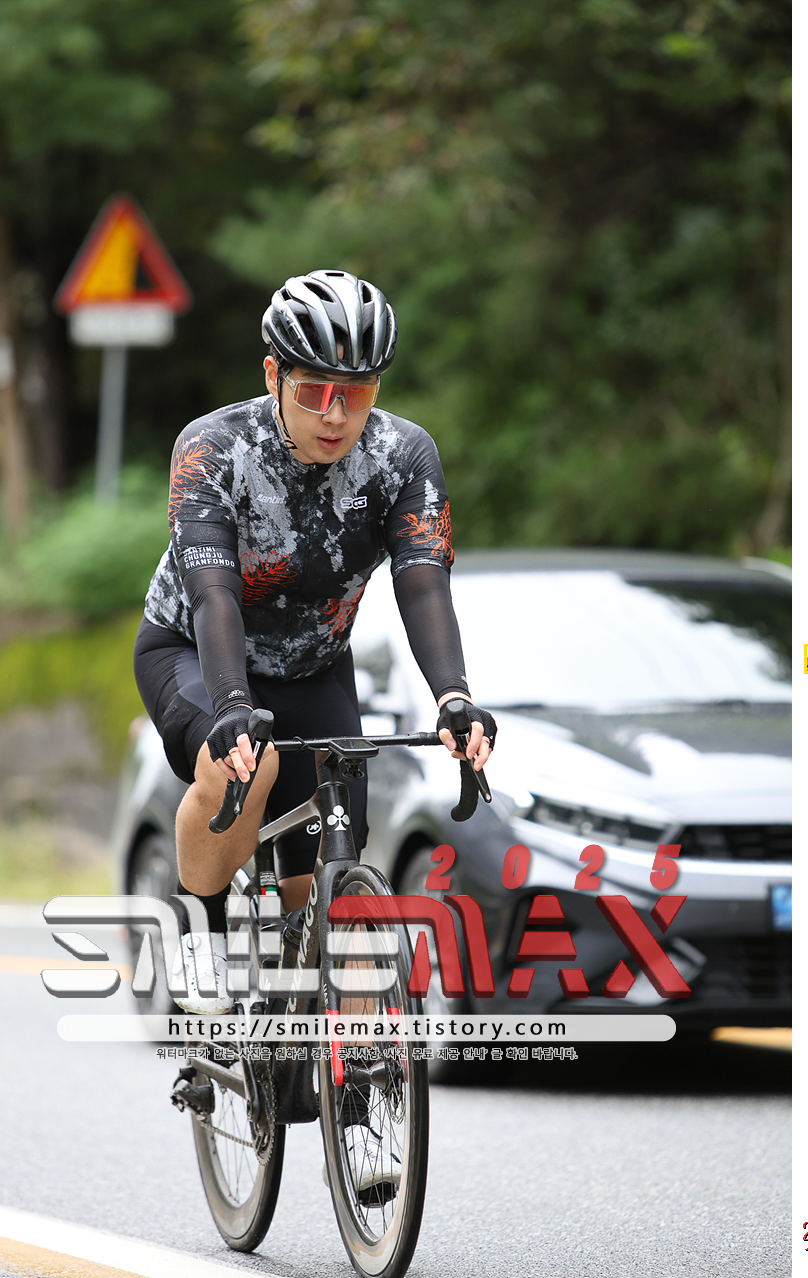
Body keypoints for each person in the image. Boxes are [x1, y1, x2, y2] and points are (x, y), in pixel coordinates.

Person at [134, 270, 496, 1021]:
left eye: (356, 394)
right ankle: (201, 928)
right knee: (249, 764)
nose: (335, 415)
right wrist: (230, 705)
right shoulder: (212, 448)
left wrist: (454, 696)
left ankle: (347, 1063)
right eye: (314, 392)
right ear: (273, 375)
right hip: (195, 652)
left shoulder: (404, 455)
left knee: (329, 890)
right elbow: (212, 593)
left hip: (313, 666)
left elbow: (423, 585)